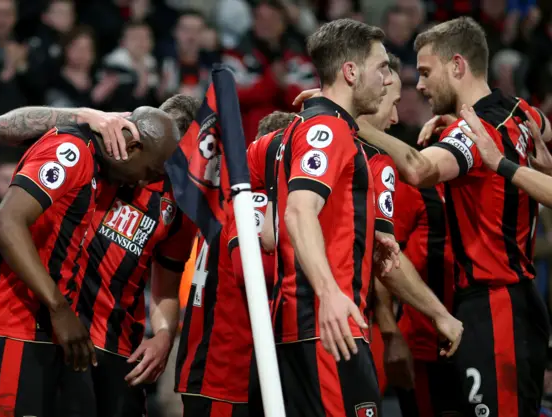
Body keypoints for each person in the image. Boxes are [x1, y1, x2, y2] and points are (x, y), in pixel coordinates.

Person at [352, 17, 551, 417]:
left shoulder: (475, 131)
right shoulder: (518, 109)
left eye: (426, 72)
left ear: (457, 66)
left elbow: (420, 169)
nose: (420, 85)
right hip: (520, 300)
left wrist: (353, 122)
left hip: (493, 304)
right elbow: (543, 131)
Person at [272, 18, 462, 417]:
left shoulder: (301, 134)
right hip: (327, 323)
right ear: (351, 72)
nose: (393, 113)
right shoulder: (330, 132)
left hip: (315, 323)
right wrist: (327, 294)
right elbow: (298, 210)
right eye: (381, 71)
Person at [0, 95, 200, 417]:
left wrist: (163, 335)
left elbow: (166, 288)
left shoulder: (179, 205)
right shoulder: (100, 154)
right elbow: (0, 128)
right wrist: (84, 114)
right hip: (58, 332)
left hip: (120, 348)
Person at [175, 110, 294, 417]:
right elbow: (253, 274)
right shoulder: (255, 203)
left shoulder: (230, 199)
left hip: (213, 362)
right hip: (226, 370)